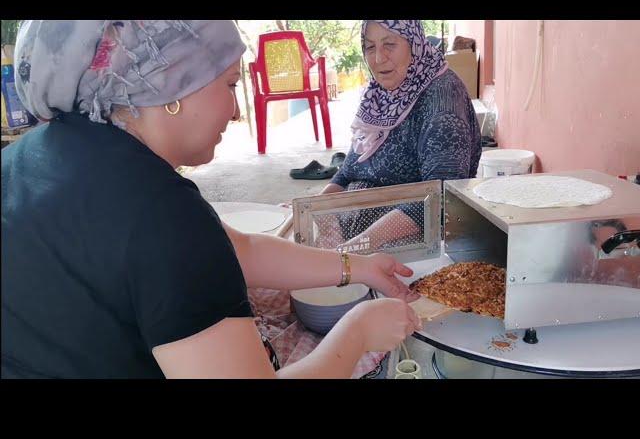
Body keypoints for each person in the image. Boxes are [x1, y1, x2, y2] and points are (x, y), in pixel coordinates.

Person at [1, 20, 422, 379]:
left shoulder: (29, 155)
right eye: (230, 84)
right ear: (172, 85)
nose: (236, 110)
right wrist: (358, 332)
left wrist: (358, 267)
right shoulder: (159, 212)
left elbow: (239, 249)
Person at [317, 20, 482, 251]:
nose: (378, 59)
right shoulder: (379, 95)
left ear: (413, 44)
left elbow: (440, 197)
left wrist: (352, 250)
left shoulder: (443, 101)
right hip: (355, 239)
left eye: (389, 44)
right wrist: (323, 221)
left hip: (409, 246)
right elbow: (346, 174)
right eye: (369, 47)